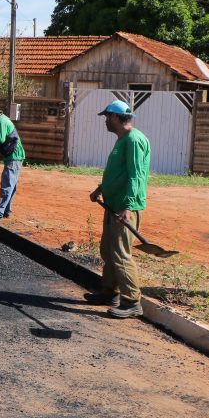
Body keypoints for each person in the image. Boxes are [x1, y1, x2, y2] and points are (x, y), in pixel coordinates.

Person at [87, 100, 151, 319]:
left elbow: (136, 175)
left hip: (124, 208)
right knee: (108, 251)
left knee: (121, 254)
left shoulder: (134, 140)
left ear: (115, 117)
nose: (105, 121)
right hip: (113, 205)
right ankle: (110, 292)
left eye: (107, 117)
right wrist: (100, 189)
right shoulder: (122, 139)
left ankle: (132, 301)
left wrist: (128, 206)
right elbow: (117, 172)